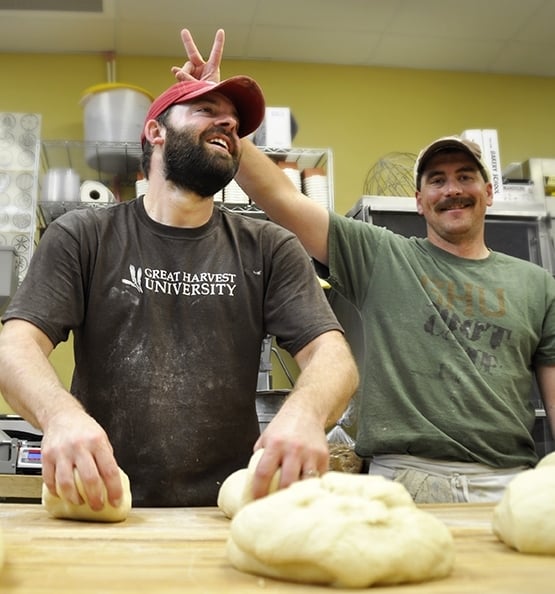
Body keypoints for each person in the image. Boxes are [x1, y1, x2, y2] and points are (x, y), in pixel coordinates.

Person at [174, 29, 555, 503]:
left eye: (465, 177)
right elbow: (281, 199)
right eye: (437, 180)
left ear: (488, 191)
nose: (452, 189)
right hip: (407, 480)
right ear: (419, 201)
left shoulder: (537, 284)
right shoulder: (383, 256)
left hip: (510, 481)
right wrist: (226, 122)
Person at [0, 56, 358, 509]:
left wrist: (306, 412)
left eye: (233, 121)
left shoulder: (270, 248)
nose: (227, 122)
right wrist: (59, 416)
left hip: (229, 511)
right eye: (206, 110)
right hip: (100, 500)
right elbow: (15, 347)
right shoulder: (83, 236)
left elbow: (333, 356)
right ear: (155, 132)